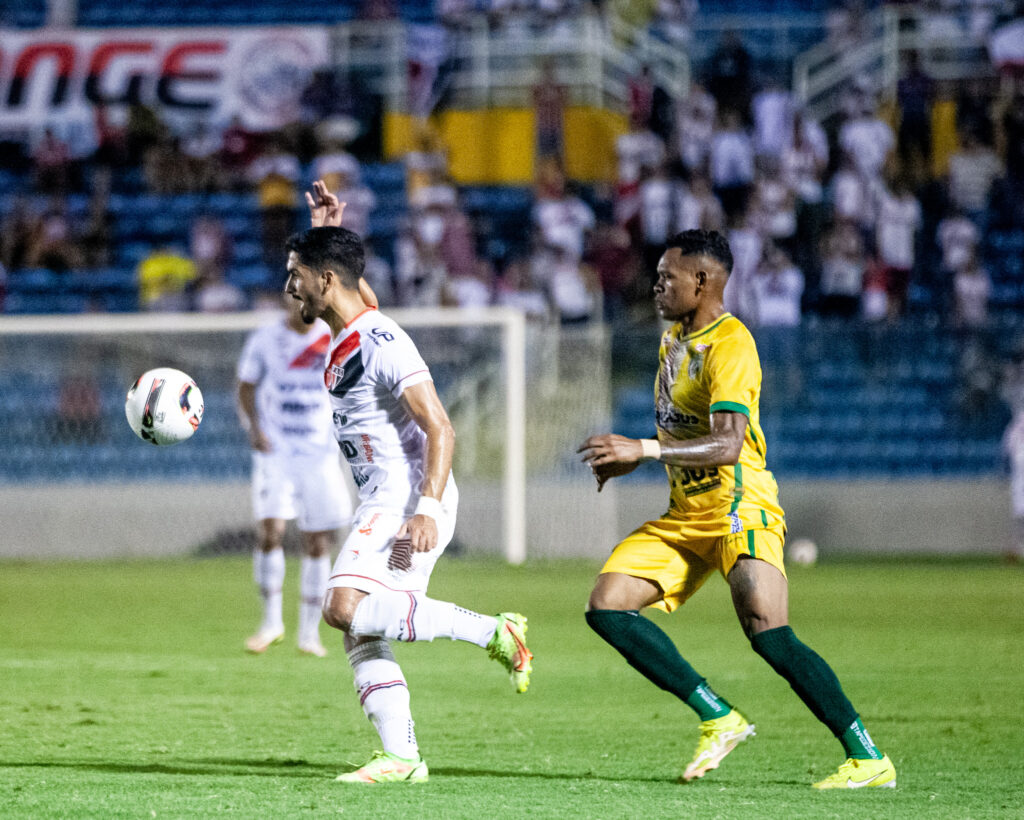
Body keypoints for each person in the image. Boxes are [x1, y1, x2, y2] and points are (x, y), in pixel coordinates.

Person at [577, 229, 895, 789]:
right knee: (608, 605)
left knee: (767, 630)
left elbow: (727, 444)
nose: (655, 286)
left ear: (701, 281)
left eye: (666, 277)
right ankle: (719, 716)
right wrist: (636, 458)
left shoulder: (732, 345)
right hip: (685, 511)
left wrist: (645, 450)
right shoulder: (674, 339)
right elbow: (681, 428)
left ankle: (868, 757)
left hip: (737, 504)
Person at [281, 184, 533, 785]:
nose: (288, 286)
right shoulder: (353, 323)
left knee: (342, 607)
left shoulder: (382, 341)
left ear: (324, 279)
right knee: (361, 627)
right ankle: (402, 757)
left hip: (405, 497)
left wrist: (423, 508)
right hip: (384, 497)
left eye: (296, 275)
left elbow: (440, 427)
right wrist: (326, 228)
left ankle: (495, 632)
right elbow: (356, 288)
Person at [237, 294, 356, 657]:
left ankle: (309, 634)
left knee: (318, 541)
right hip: (276, 451)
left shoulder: (332, 336)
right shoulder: (264, 339)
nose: (299, 304)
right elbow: (246, 386)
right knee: (270, 531)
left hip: (319, 454)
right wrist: (254, 428)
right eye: (293, 297)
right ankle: (271, 623)